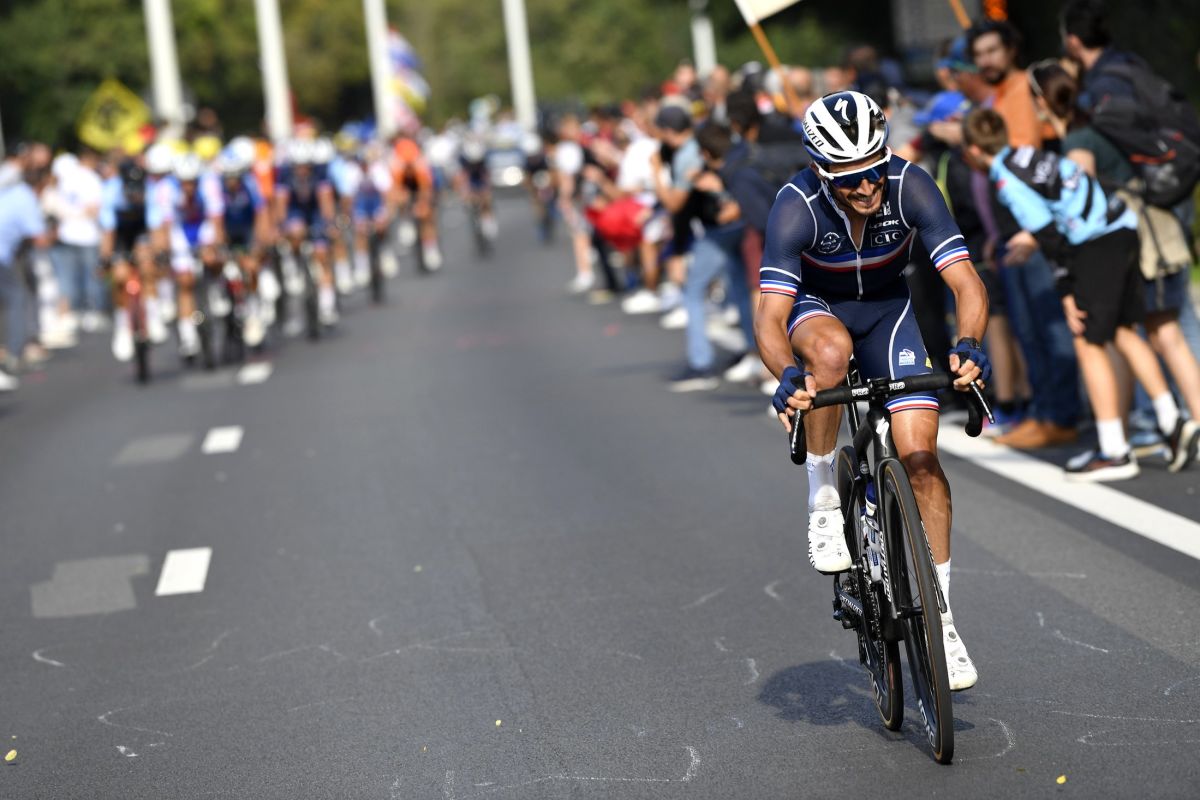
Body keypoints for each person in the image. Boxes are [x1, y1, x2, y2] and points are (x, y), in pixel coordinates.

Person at [756, 91, 990, 691]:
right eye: (848, 178)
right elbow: (769, 317)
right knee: (830, 356)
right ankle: (823, 498)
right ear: (820, 170)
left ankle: (941, 620)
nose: (865, 187)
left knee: (922, 462)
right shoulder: (795, 207)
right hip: (818, 309)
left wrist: (968, 343)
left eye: (873, 171)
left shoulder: (910, 185)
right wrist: (787, 375)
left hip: (889, 313)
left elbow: (966, 283)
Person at [963, 107, 1194, 477]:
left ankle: (1114, 451)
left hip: (1094, 241)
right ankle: (1173, 420)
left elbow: (1050, 237)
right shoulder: (1027, 154)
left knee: (1086, 340)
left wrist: (1066, 292)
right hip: (1122, 225)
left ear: (973, 150)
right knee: (1124, 331)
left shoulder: (1005, 178)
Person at [969, 18, 1082, 450]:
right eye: (978, 54)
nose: (985, 60)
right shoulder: (998, 94)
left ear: (1011, 49)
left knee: (1047, 326)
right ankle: (1043, 412)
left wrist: (1031, 232)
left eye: (992, 51)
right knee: (1028, 330)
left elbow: (1027, 165)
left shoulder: (1021, 92)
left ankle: (1060, 416)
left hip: (1032, 233)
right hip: (1009, 231)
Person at [0, 149, 49, 388]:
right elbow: (40, 239)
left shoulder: (7, 192)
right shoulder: (24, 196)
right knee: (17, 299)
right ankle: (13, 354)